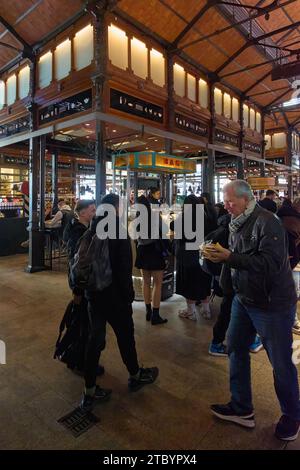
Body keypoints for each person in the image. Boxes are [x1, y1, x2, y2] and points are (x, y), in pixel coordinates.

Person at [204, 180, 300, 441]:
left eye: (229, 200)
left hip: (273, 304)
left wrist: (228, 257)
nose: (225, 205)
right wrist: (215, 255)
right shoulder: (236, 222)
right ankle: (241, 407)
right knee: (235, 348)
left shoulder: (267, 221)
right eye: (224, 200)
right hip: (243, 298)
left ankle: (292, 416)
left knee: (280, 362)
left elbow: (270, 263)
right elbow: (237, 256)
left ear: (246, 199)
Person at [81, 193, 159, 410]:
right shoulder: (118, 231)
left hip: (93, 295)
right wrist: (128, 297)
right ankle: (135, 375)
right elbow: (124, 270)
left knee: (94, 340)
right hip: (114, 297)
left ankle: (89, 390)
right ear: (116, 207)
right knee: (125, 338)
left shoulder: (92, 227)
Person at [62, 199, 105, 376]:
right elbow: (80, 265)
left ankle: (78, 358)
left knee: (82, 323)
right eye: (92, 210)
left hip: (79, 283)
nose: (95, 213)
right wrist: (78, 290)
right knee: (84, 325)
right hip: (82, 284)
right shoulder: (80, 233)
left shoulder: (74, 228)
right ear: (83, 212)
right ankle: (82, 362)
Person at [172, 195, 212, 321]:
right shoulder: (205, 216)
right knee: (203, 280)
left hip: (186, 256)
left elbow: (172, 225)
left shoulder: (184, 217)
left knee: (188, 282)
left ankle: (191, 311)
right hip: (202, 254)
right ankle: (206, 310)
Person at [135, 195, 168, 325]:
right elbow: (164, 230)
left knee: (146, 282)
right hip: (155, 250)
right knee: (158, 283)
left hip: (142, 250)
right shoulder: (154, 216)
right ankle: (155, 314)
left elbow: (135, 236)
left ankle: (148, 311)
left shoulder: (136, 219)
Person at [277, 197, 300, 334]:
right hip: (291, 264)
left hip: (289, 263)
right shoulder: (292, 220)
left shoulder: (286, 216)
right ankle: (291, 321)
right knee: (292, 293)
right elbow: (291, 245)